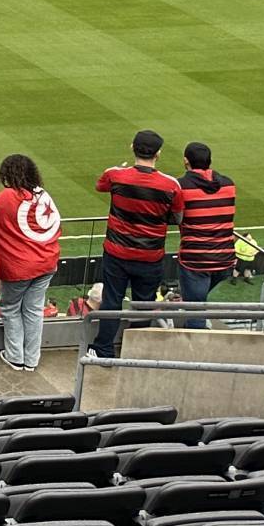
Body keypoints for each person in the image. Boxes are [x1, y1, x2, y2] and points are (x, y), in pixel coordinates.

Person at [92, 129, 180, 359]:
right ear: (158, 153)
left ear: (132, 147)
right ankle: (135, 351)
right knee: (144, 303)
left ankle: (104, 349)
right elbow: (177, 217)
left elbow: (100, 186)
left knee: (112, 299)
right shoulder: (171, 185)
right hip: (149, 256)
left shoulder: (115, 175)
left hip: (117, 252)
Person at [0, 153, 61, 372]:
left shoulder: (8, 197)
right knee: (34, 310)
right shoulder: (42, 195)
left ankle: (15, 357)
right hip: (47, 262)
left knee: (11, 308)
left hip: (19, 266)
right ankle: (31, 359)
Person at [174, 141, 237, 326]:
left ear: (186, 161)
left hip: (196, 260)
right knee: (197, 304)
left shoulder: (181, 186)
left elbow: (174, 215)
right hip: (225, 258)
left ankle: (195, 351)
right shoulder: (229, 184)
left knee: (195, 311)